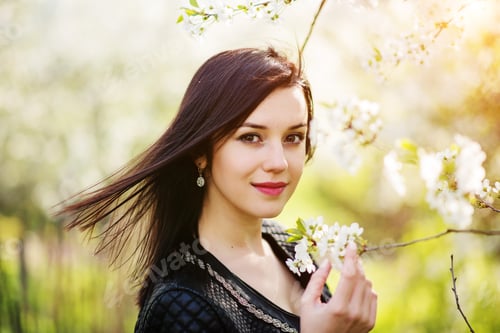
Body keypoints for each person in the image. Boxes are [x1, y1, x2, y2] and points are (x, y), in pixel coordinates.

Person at [58, 46, 377, 332]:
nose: (278, 162)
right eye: (251, 137)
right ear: (201, 152)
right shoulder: (182, 305)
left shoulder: (288, 248)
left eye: (293, 137)